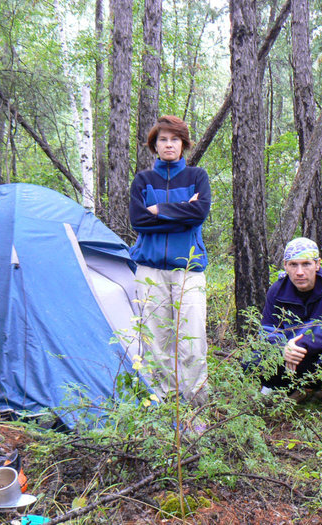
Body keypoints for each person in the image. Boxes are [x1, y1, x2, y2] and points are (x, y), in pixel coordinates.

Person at [129, 115, 211, 406]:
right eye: (162, 139)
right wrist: (180, 212)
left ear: (183, 144)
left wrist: (157, 210)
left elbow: (198, 213)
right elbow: (138, 221)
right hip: (150, 270)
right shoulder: (143, 180)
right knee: (156, 341)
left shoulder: (196, 177)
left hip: (188, 270)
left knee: (191, 339)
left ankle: (196, 408)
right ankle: (164, 404)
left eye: (174, 139)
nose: (168, 144)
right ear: (154, 145)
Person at [260, 237, 322, 399]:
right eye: (293, 264)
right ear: (285, 265)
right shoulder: (277, 291)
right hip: (292, 360)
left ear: (317, 264)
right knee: (254, 360)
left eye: (306, 264)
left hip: (321, 355)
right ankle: (288, 390)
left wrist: (301, 343)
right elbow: (266, 333)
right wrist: (283, 349)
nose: (300, 272)